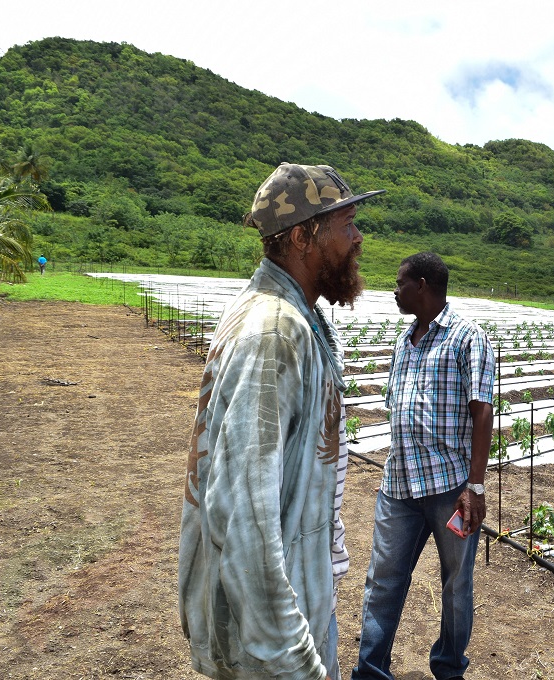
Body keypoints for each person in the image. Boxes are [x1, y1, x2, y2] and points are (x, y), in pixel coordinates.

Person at [179, 163, 383, 680]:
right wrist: (294, 660)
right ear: (302, 236)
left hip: (290, 615)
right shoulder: (274, 333)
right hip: (269, 649)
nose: (357, 237)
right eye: (346, 224)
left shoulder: (292, 318)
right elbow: (244, 521)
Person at [353, 252, 495, 680]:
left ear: (422, 284)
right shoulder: (404, 339)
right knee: (383, 581)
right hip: (398, 484)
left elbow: (482, 413)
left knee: (455, 587)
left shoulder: (468, 338)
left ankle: (449, 668)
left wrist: (476, 486)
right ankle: (371, 669)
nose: (394, 291)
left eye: (400, 283)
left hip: (450, 488)